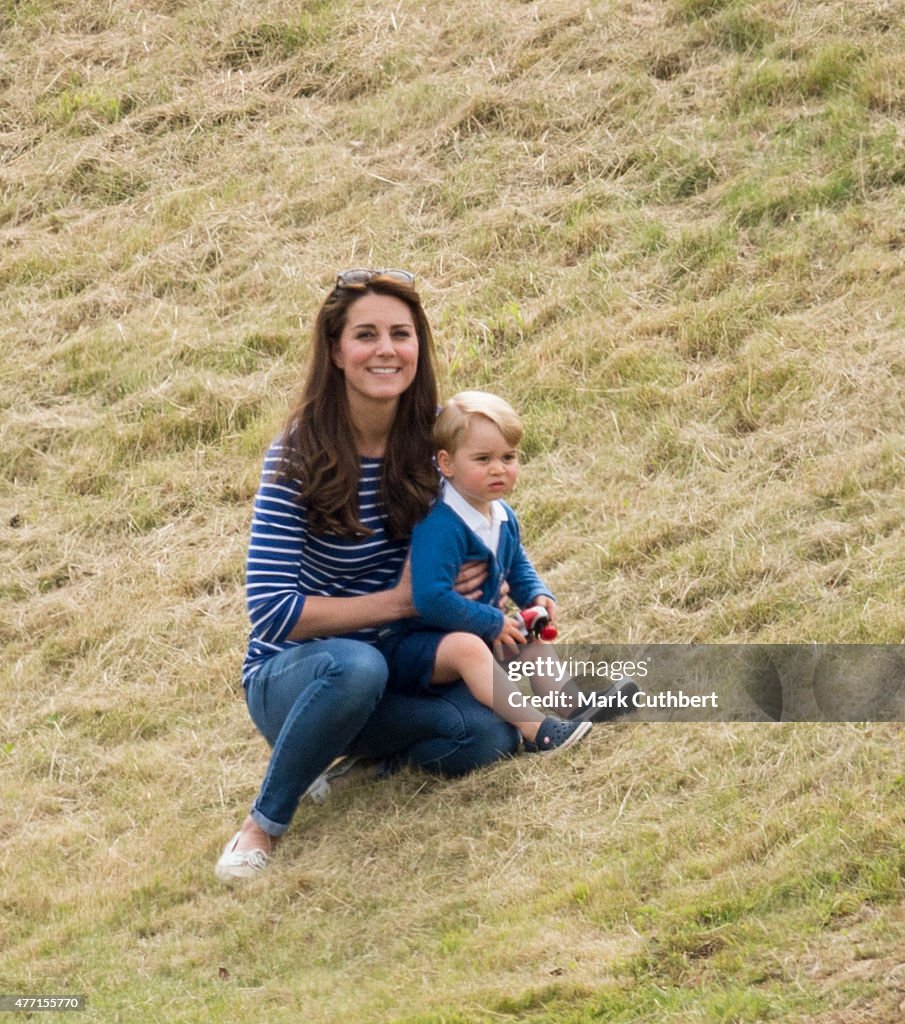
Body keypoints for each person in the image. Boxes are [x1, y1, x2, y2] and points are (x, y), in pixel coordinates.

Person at [216, 270, 520, 883]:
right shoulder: (295, 456)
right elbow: (274, 612)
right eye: (366, 335)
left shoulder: (441, 441)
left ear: (418, 347)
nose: (386, 349)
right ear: (335, 351)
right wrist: (404, 601)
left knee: (487, 736)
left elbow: (486, 532)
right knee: (357, 666)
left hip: (407, 665)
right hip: (303, 676)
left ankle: (353, 766)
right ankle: (263, 825)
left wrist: (491, 586)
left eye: (400, 334)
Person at [378, 391, 593, 752]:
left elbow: (515, 562)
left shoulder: (503, 515)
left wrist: (537, 594)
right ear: (446, 464)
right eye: (483, 459)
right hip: (415, 648)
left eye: (508, 457)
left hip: (472, 629)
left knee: (529, 638)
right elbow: (429, 598)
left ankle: (574, 707)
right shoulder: (440, 523)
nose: (499, 468)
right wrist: (491, 622)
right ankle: (536, 731)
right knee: (467, 648)